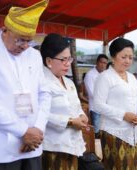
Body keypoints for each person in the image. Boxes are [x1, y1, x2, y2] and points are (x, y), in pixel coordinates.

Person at [0, 1, 50, 169]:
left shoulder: (34, 56)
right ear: (4, 30)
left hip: (33, 145)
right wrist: (23, 131)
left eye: (29, 41)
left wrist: (37, 130)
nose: (24, 46)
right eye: (20, 40)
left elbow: (44, 94)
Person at [40, 33, 88, 170]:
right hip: (52, 147)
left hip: (72, 145)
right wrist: (70, 122)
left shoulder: (68, 82)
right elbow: (40, 114)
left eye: (69, 59)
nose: (67, 64)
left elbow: (76, 106)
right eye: (63, 60)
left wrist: (82, 115)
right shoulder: (41, 82)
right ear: (49, 61)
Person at [93, 38, 137, 169]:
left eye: (131, 57)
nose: (128, 61)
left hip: (134, 133)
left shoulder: (132, 77)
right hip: (114, 133)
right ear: (113, 56)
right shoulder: (105, 77)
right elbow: (97, 104)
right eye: (124, 57)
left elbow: (136, 101)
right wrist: (123, 115)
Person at [84, 54, 108, 137]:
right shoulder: (90, 75)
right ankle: (97, 148)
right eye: (101, 62)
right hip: (96, 108)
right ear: (97, 62)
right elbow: (92, 93)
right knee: (96, 131)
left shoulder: (105, 74)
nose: (103, 65)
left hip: (105, 108)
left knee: (104, 131)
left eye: (105, 63)